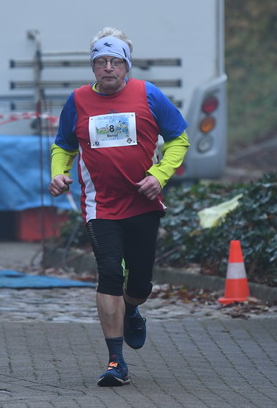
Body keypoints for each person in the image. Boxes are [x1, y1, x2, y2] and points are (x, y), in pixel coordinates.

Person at [48, 27, 189, 387]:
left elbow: (179, 139)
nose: (108, 68)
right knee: (109, 273)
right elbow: (63, 145)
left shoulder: (148, 94)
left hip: (143, 203)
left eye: (115, 61)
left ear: (126, 66)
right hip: (101, 207)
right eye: (101, 62)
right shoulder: (78, 101)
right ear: (93, 67)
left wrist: (160, 175)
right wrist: (58, 173)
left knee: (139, 284)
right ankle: (116, 362)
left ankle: (132, 309)